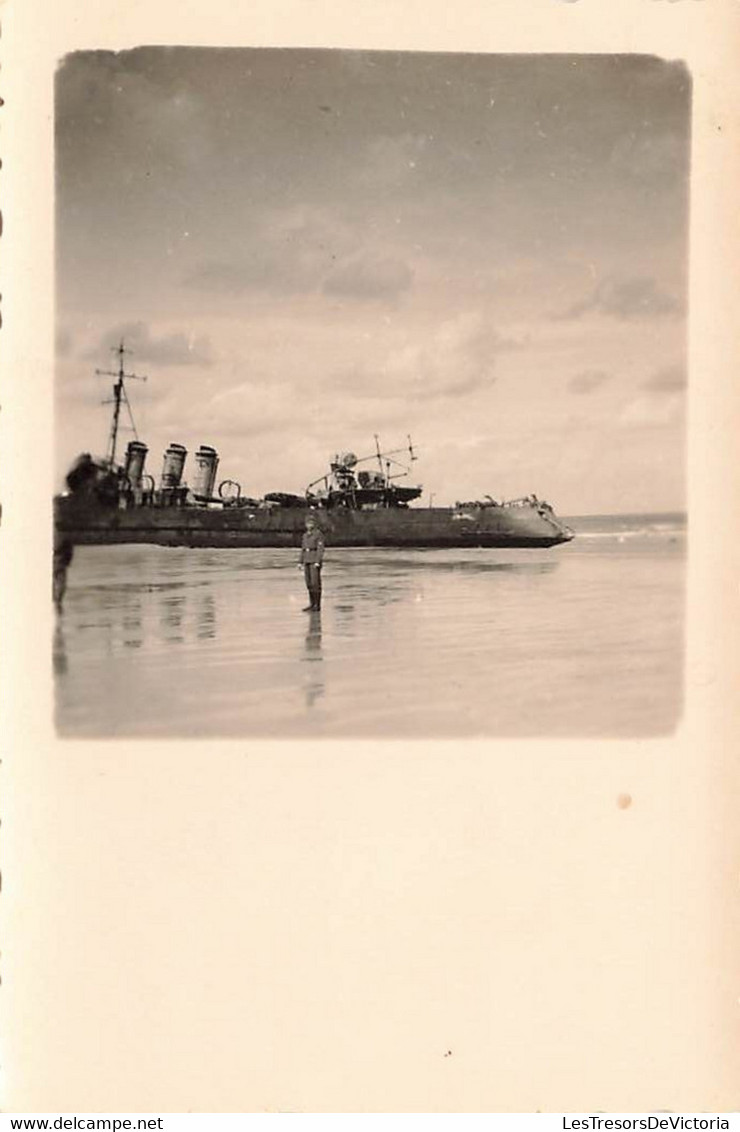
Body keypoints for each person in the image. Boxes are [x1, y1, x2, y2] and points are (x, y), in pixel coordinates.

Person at [299, 515, 325, 612]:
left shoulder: (318, 534)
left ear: (314, 524)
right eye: (308, 523)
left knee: (315, 583)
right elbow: (303, 549)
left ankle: (317, 605)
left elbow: (320, 549)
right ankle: (312, 603)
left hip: (314, 560)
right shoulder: (305, 535)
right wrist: (300, 561)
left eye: (311, 523)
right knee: (309, 583)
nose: (309, 525)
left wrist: (318, 561)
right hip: (307, 560)